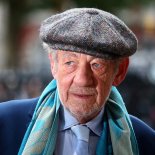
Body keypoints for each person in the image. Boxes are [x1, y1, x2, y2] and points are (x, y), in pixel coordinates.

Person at [0, 8, 154, 155]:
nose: (82, 80)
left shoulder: (146, 142)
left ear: (119, 72)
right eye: (70, 63)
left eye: (97, 65)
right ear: (53, 65)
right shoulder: (5, 123)